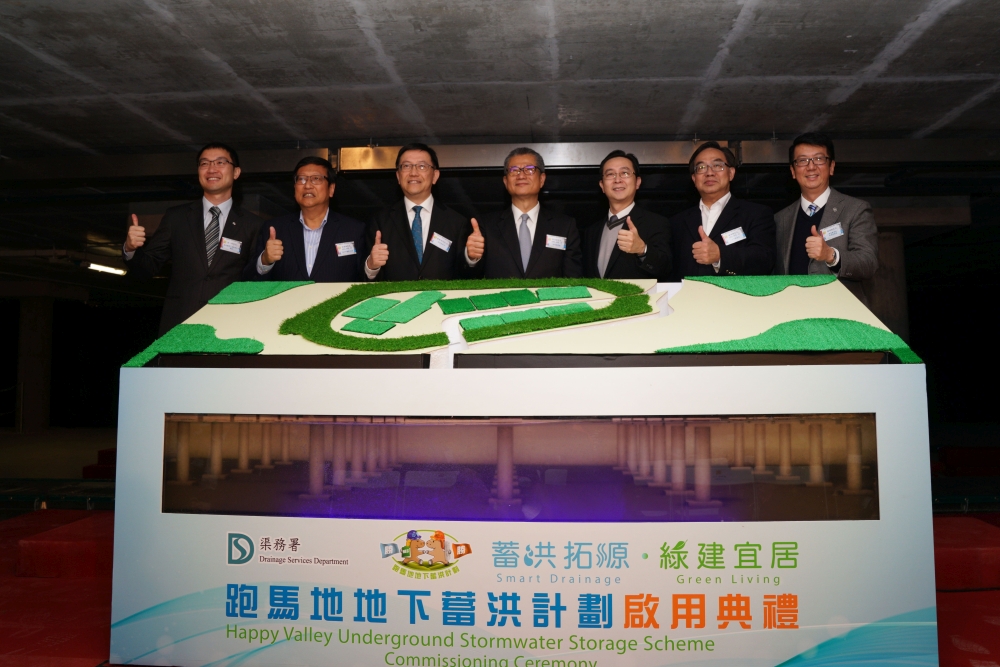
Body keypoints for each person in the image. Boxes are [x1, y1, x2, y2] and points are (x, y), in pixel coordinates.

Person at [123, 142, 262, 335]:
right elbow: (147, 267)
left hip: (230, 326)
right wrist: (130, 249)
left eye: (220, 162)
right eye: (204, 163)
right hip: (180, 323)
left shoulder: (253, 224)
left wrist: (267, 262)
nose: (211, 168)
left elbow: (255, 278)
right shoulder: (176, 217)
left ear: (236, 172)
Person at [774, 132, 878, 302]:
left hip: (839, 316)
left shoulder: (856, 209)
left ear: (831, 167)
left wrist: (831, 255)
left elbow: (868, 263)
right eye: (802, 160)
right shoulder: (780, 219)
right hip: (793, 314)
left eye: (819, 159)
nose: (811, 167)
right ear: (793, 171)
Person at [244, 157, 366, 282]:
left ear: (331, 189)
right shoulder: (274, 229)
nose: (307, 185)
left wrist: (372, 267)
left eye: (316, 179)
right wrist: (265, 260)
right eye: (301, 179)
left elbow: (364, 278)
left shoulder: (354, 230)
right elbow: (249, 280)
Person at [466, 147, 582, 279]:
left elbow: (573, 279)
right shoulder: (486, 225)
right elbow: (470, 277)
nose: (521, 175)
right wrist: (471, 258)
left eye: (530, 169)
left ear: (542, 179)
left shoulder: (564, 226)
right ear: (505, 181)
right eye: (514, 170)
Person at [364, 143, 473, 281]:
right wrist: (371, 266)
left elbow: (466, 275)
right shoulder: (380, 222)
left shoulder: (457, 222)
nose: (413, 173)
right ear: (398, 176)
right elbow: (361, 277)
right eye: (406, 166)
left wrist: (471, 259)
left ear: (435, 176)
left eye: (422, 166)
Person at [670, 142, 775, 279]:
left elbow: (765, 260)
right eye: (701, 167)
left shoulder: (756, 214)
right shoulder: (677, 222)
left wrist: (720, 255)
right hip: (690, 298)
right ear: (694, 179)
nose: (709, 172)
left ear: (731, 173)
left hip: (736, 298)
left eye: (717, 166)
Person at [583, 150, 671, 280]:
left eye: (624, 173)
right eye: (610, 174)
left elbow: (666, 270)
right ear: (602, 185)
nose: (617, 180)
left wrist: (643, 250)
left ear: (637, 182)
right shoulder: (591, 231)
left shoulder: (657, 223)